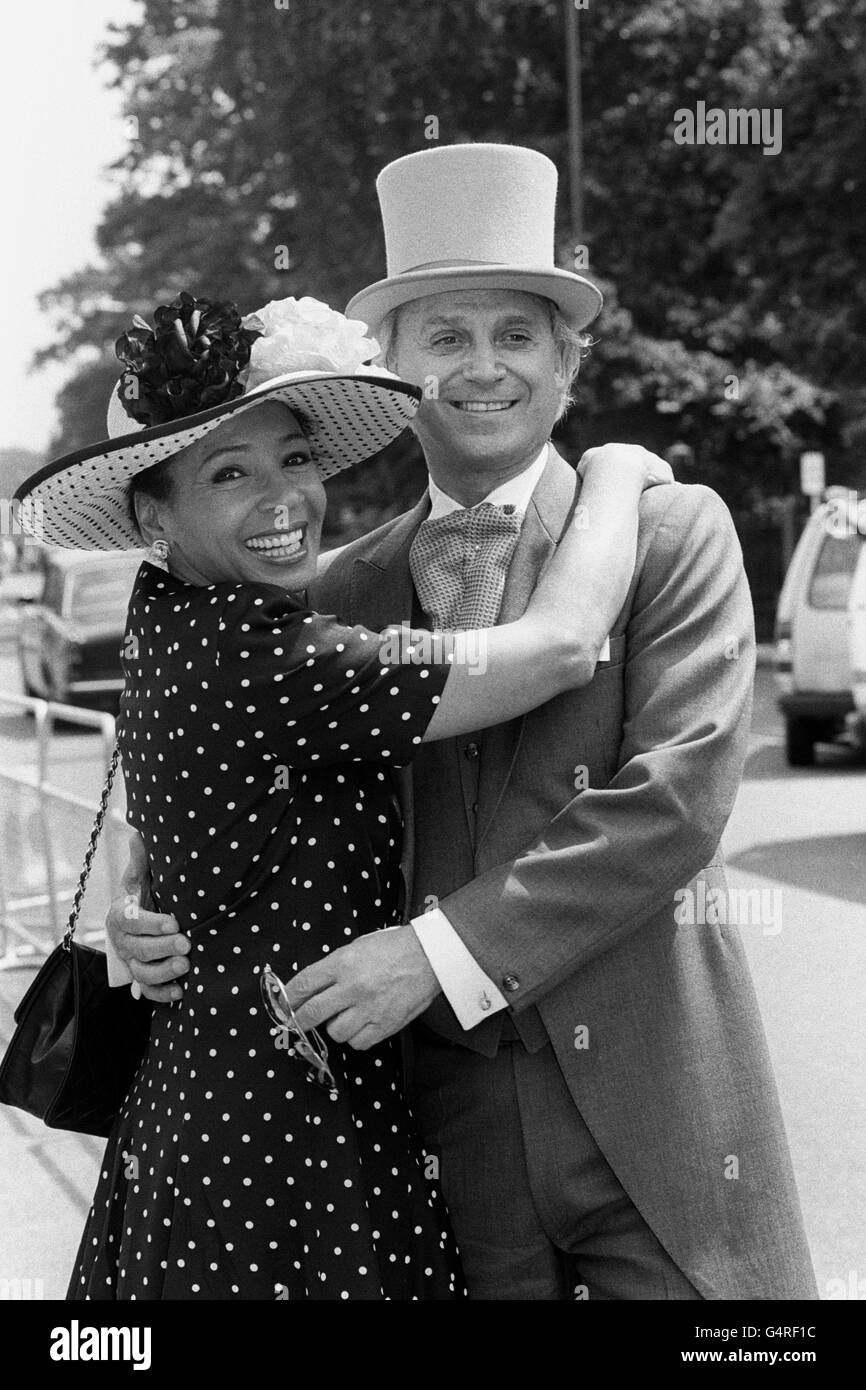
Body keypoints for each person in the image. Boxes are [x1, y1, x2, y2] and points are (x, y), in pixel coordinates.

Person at [109, 143, 817, 1301]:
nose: (483, 367)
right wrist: (140, 901)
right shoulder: (329, 590)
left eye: (517, 334)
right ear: (388, 372)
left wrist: (431, 953)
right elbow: (233, 767)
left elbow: (674, 805)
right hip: (439, 1147)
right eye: (445, 337)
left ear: (564, 367)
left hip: (661, 1119)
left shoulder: (671, 529)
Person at [16, 288, 667, 1300]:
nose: (282, 499)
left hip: (221, 1112)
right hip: (281, 1145)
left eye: (293, 460)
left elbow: (194, 822)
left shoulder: (173, 614)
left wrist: (138, 903)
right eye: (228, 473)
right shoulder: (261, 648)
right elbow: (556, 646)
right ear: (154, 512)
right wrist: (617, 473)